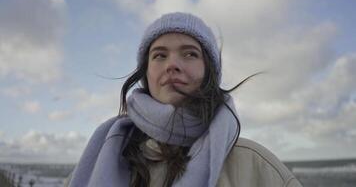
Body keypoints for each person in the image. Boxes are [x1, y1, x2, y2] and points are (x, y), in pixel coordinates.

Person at [67, 12, 302, 187]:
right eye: (159, 55)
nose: (172, 65)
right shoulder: (100, 158)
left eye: (190, 53)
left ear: (208, 71)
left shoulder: (254, 165)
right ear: (146, 73)